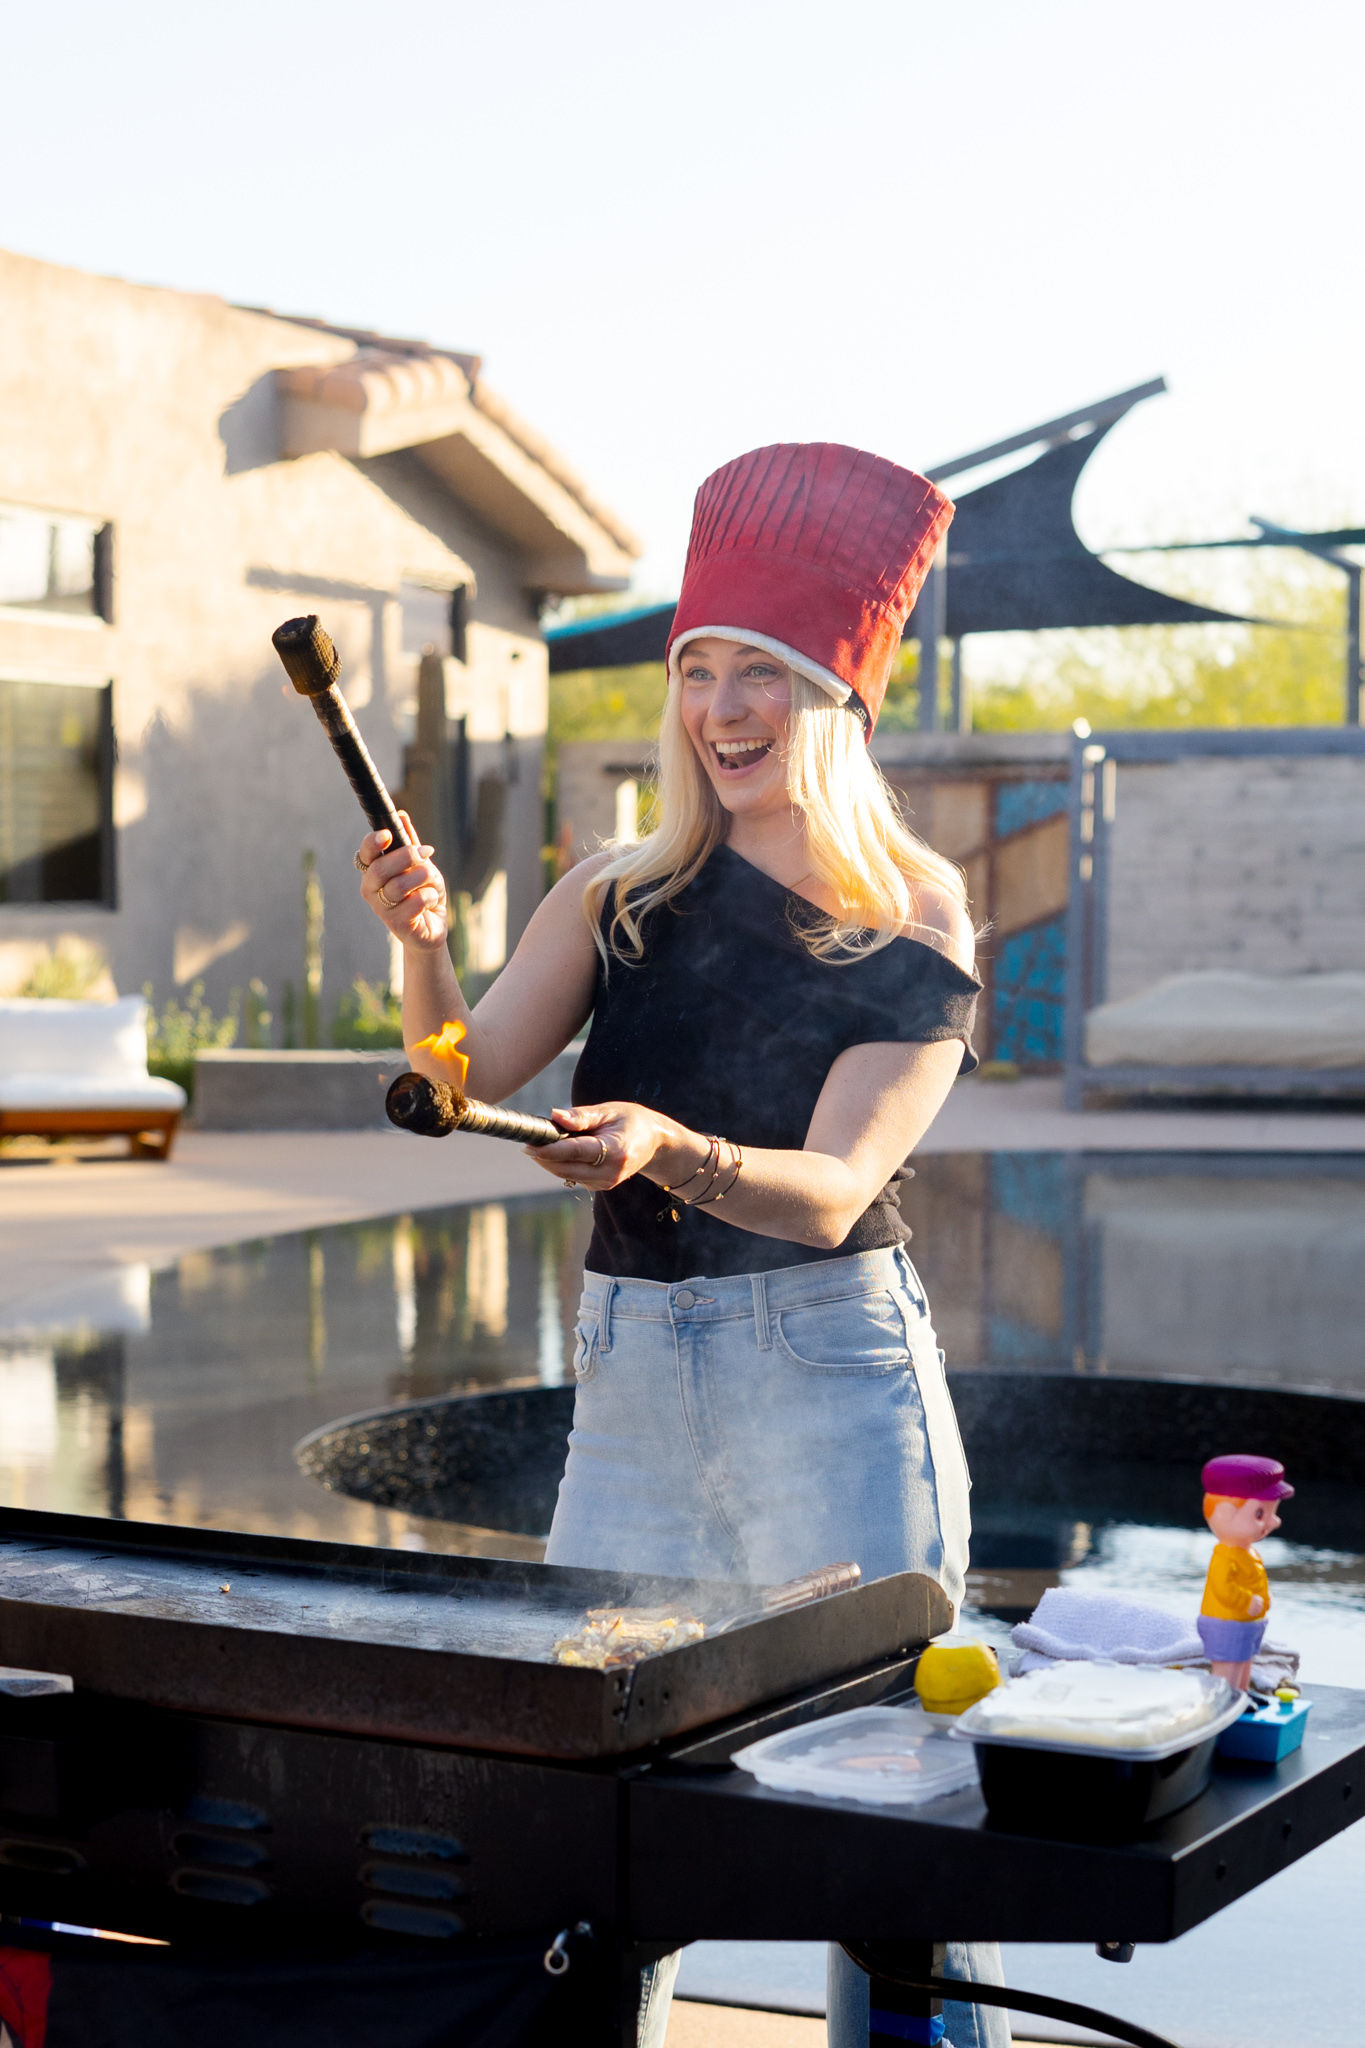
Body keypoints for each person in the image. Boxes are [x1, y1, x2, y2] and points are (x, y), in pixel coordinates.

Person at [356, 442, 1009, 2048]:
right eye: (700, 669)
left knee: (894, 1823)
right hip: (636, 1381)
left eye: (766, 676)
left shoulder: (913, 912)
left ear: (836, 698)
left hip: (831, 1368)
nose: (723, 708)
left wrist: (667, 1147)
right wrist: (421, 954)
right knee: (599, 1813)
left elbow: (837, 1186)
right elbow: (460, 1084)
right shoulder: (618, 891)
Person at [1198, 1453, 1294, 1691]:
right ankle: (1224, 1700)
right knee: (1228, 1667)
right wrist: (1247, 1600)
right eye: (1261, 1514)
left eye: (1273, 1513)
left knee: (1244, 1662)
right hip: (1226, 1623)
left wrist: (1262, 1599)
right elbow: (1223, 1588)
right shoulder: (1224, 1557)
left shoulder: (1246, 1553)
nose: (1274, 1522)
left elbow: (1254, 1579)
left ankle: (1241, 1697)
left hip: (1247, 1622)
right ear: (1224, 1514)